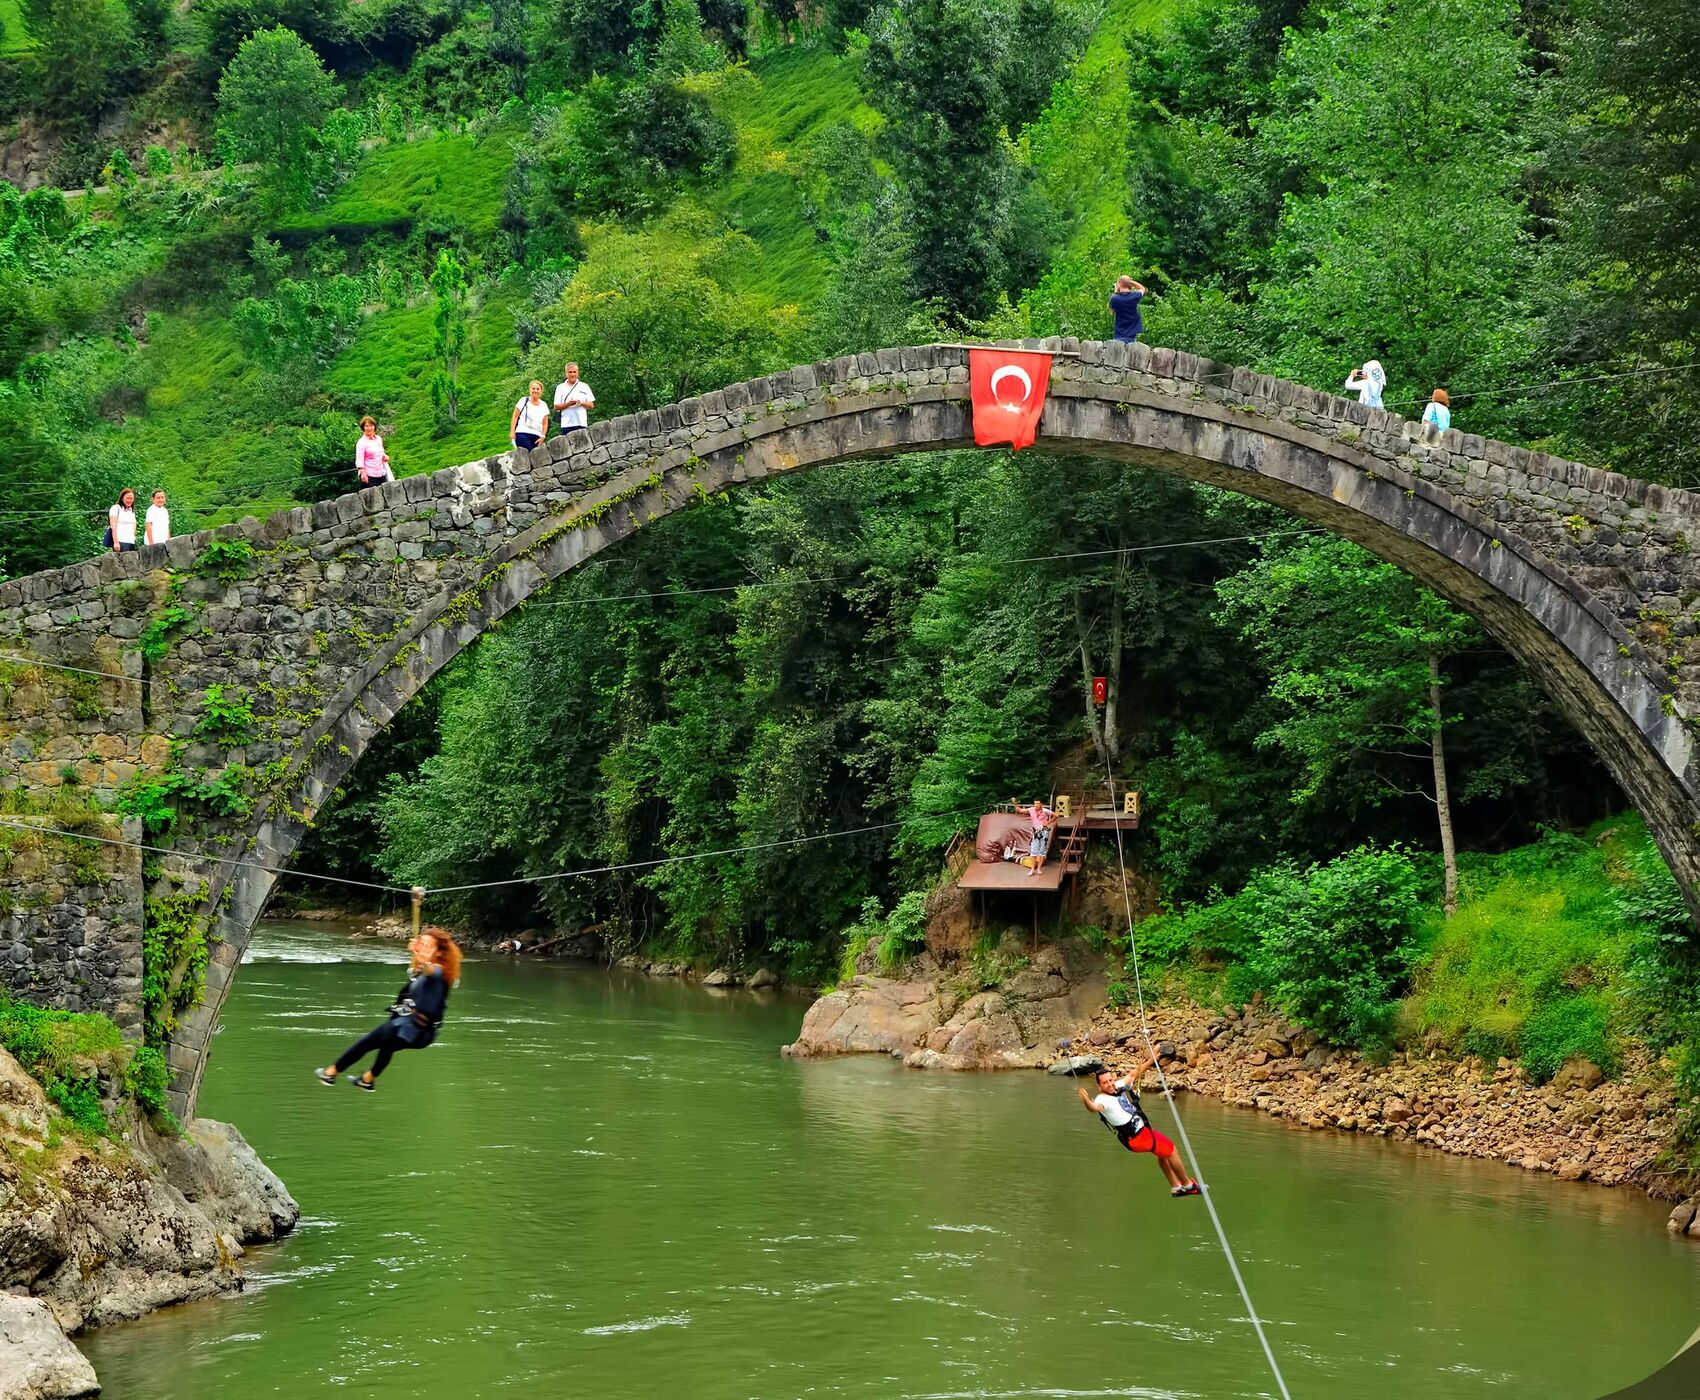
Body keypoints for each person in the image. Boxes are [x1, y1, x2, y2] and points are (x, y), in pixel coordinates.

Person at [314, 926, 462, 1092]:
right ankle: (367, 1080)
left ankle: (330, 1073)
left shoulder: (438, 972)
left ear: (439, 952)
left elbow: (430, 971)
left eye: (428, 946)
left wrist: (421, 959)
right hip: (419, 1032)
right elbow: (418, 977)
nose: (423, 949)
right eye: (422, 944)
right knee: (387, 1046)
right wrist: (417, 958)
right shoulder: (422, 972)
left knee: (366, 1042)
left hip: (412, 1028)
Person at [1078, 1058, 1200, 1197]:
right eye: (1105, 1083)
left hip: (1142, 1133)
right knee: (1171, 1150)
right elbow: (1094, 1108)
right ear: (1099, 1086)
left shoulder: (1117, 1086)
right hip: (1137, 1137)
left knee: (1163, 1154)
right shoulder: (1102, 1100)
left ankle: (1176, 1187)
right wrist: (1086, 1100)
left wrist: (1154, 1057)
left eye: (1110, 1080)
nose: (1110, 1084)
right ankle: (1188, 1185)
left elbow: (1133, 1074)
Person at [552, 362, 595, 436]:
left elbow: (591, 405)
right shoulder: (560, 387)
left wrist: (581, 403)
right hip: (566, 424)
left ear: (578, 373)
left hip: (581, 423)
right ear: (566, 373)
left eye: (574, 372)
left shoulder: (584, 386)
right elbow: (556, 406)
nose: (572, 374)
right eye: (570, 372)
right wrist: (569, 404)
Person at [511, 381, 551, 453]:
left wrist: (543, 436)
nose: (535, 390)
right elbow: (515, 416)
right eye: (533, 388)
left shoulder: (544, 405)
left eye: (538, 389)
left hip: (537, 435)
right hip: (522, 432)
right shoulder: (524, 400)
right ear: (530, 390)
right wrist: (512, 431)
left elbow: (545, 423)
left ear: (541, 391)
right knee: (527, 453)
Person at [1109, 276, 1147, 345]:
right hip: (1132, 335)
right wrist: (1130, 282)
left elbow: (1111, 312)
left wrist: (1116, 290)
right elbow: (1142, 288)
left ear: (1119, 284)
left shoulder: (1114, 298)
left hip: (1119, 335)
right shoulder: (1135, 296)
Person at [356, 416, 391, 486]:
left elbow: (381, 452)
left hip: (381, 473)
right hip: (369, 475)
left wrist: (385, 456)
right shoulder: (361, 442)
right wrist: (362, 473)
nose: (369, 428)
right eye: (366, 426)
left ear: (374, 427)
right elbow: (359, 459)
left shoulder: (378, 439)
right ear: (363, 428)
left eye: (371, 425)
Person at [1026, 797, 1056, 877]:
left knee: (1042, 850)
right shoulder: (1031, 810)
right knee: (1033, 851)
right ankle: (1032, 869)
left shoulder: (1045, 810)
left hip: (1044, 831)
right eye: (1035, 803)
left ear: (1041, 804)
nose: (1036, 805)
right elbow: (1020, 810)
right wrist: (1014, 803)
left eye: (1038, 803)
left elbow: (1056, 815)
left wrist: (1048, 822)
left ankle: (1039, 868)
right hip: (1036, 831)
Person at [107, 489, 138, 553]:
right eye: (127, 498)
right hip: (121, 541)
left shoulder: (131, 510)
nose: (129, 500)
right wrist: (116, 542)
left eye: (131, 498)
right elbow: (113, 526)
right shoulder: (116, 508)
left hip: (131, 541)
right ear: (122, 498)